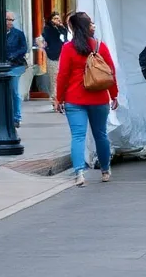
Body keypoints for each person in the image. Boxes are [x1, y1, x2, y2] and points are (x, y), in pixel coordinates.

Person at [54, 11, 118, 187]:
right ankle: (105, 171)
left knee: (78, 136)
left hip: (74, 98)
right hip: (98, 98)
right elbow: (110, 71)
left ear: (73, 28)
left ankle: (79, 173)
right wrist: (114, 94)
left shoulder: (68, 48)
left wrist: (58, 98)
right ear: (88, 25)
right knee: (101, 135)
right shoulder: (99, 46)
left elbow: (63, 76)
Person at [41, 12, 69, 111]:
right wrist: (47, 50)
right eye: (55, 18)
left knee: (63, 78)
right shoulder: (48, 29)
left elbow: (65, 38)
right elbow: (44, 40)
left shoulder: (62, 29)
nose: (57, 20)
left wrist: (61, 27)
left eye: (58, 18)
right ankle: (55, 101)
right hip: (53, 56)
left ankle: (62, 100)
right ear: (51, 20)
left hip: (63, 55)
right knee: (54, 79)